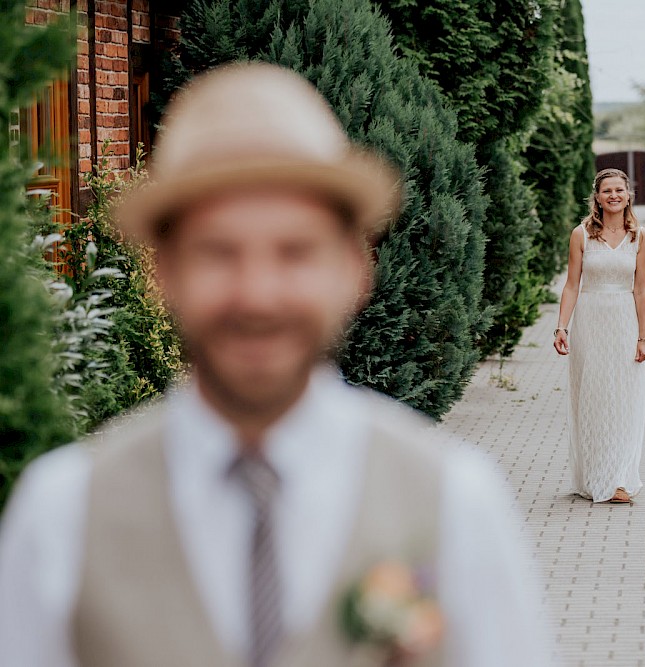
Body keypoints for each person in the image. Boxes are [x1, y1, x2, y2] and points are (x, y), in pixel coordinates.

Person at [0, 63, 552, 667]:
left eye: (295, 252)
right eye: (218, 253)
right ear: (164, 274)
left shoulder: (455, 500)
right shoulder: (61, 514)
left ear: (353, 269)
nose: (257, 295)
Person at [553, 168, 645, 504]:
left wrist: (644, 337)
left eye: (619, 190)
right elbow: (571, 285)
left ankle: (620, 478)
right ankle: (596, 475)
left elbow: (641, 290)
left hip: (623, 321)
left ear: (628, 195)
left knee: (624, 399)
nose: (613, 196)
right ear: (596, 197)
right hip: (590, 322)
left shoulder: (641, 237)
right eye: (607, 190)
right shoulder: (581, 234)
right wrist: (562, 327)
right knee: (593, 398)